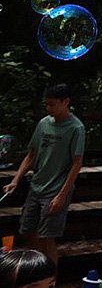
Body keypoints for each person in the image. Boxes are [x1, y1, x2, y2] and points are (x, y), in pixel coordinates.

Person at [4, 84, 85, 266]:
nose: (49, 109)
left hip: (56, 189)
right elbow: (31, 155)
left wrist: (61, 196)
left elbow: (76, 163)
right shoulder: (44, 123)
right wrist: (15, 181)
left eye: (52, 104)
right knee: (27, 231)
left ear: (66, 102)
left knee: (47, 236)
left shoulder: (76, 128)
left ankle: (51, 279)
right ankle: (34, 272)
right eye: (46, 105)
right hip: (37, 185)